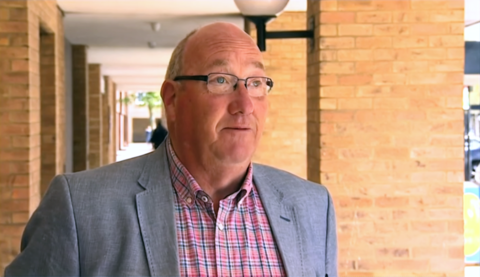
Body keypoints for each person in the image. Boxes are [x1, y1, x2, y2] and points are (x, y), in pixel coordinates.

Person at [5, 22, 337, 277]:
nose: (244, 104)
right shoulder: (80, 209)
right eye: (220, 80)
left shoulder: (311, 207)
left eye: (256, 83)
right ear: (172, 100)